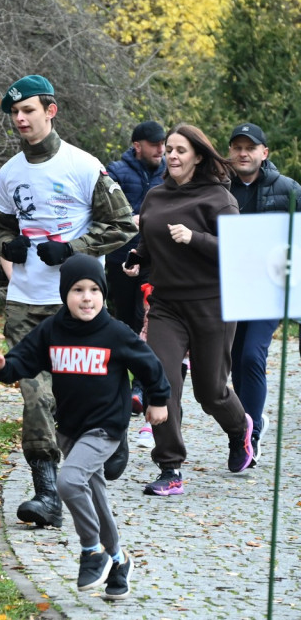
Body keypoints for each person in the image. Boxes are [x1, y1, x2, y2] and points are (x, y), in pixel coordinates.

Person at [0, 74, 136, 527]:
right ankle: (47, 494)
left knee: (82, 390)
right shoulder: (9, 173)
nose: (20, 119)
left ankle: (112, 431)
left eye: (27, 110)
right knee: (36, 396)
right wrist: (6, 243)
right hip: (26, 302)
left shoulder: (84, 167)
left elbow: (124, 225)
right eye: (14, 113)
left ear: (50, 111)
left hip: (78, 302)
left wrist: (74, 249)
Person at [0, 254, 170, 600]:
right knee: (95, 495)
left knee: (69, 482)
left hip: (106, 427)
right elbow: (24, 360)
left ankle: (90, 550)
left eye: (95, 289)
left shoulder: (115, 332)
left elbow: (150, 365)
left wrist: (158, 400)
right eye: (78, 289)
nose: (87, 297)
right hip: (70, 428)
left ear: (104, 293)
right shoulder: (53, 330)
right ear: (65, 293)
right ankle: (118, 559)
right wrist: (1, 368)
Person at [123, 123, 254, 496]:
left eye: (181, 150)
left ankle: (239, 429)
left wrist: (194, 238)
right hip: (166, 305)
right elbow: (151, 238)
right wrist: (137, 257)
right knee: (161, 383)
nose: (173, 156)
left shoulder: (218, 198)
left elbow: (238, 250)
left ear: (198, 155)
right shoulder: (155, 196)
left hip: (212, 304)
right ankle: (170, 468)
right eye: (170, 150)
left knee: (210, 391)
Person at [227, 122, 301, 463]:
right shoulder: (219, 188)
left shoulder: (288, 189)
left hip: (270, 289)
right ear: (230, 153)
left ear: (264, 153)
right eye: (238, 147)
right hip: (231, 287)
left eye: (250, 147)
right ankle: (245, 425)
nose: (244, 153)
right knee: (236, 363)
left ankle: (250, 435)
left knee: (252, 356)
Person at [105, 120, 167, 446]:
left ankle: (140, 387)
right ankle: (122, 385)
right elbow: (104, 213)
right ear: (137, 145)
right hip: (120, 260)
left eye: (163, 143)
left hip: (154, 261)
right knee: (125, 323)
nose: (161, 149)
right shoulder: (115, 171)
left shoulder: (171, 171)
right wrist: (131, 220)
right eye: (154, 144)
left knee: (148, 320)